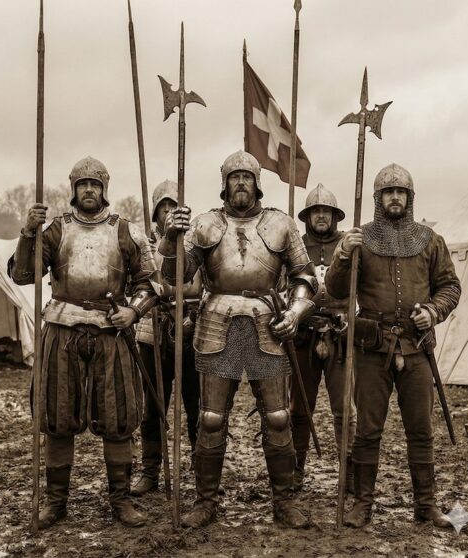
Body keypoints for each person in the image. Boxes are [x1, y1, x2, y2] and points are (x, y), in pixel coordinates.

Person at [160, 150, 317, 529]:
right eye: (235, 177)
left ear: (257, 182)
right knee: (211, 419)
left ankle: (284, 501)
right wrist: (171, 240)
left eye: (247, 176)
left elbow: (306, 278)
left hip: (268, 321)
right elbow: (176, 278)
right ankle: (206, 502)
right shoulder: (205, 224)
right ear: (225, 184)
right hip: (217, 323)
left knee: (278, 418)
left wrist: (295, 313)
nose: (241, 183)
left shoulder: (280, 224)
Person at [9, 156, 158, 528]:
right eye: (82, 184)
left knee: (118, 416)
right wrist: (29, 232)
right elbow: (24, 274)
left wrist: (134, 312)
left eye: (95, 184)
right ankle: (56, 502)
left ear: (104, 188)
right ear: (73, 188)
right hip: (62, 328)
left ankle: (120, 501)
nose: (89, 190)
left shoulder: (127, 230)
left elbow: (150, 284)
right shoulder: (55, 230)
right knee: (57, 416)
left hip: (112, 331)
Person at [326, 163, 460, 529]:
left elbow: (450, 286)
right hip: (373, 348)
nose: (395, 197)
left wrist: (433, 311)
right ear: (378, 198)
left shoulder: (431, 241)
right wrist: (342, 255)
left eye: (401, 192)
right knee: (368, 429)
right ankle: (363, 505)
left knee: (421, 429)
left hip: (417, 347)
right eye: (389, 192)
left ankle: (426, 506)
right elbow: (337, 290)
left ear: (410, 198)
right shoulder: (361, 238)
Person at [130, 179, 202, 497]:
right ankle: (149, 471)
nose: (170, 213)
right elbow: (146, 285)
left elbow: (196, 288)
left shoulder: (196, 246)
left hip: (191, 332)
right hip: (152, 335)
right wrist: (163, 288)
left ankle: (203, 471)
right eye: (164, 208)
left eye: (175, 207)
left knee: (197, 408)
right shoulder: (145, 246)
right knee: (153, 409)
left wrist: (169, 289)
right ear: (156, 214)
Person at [290, 184, 356, 492]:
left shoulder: (350, 244)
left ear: (334, 216)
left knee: (344, 409)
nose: (320, 216)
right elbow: (283, 286)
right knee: (300, 407)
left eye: (325, 211)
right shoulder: (296, 246)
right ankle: (295, 469)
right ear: (306, 216)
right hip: (304, 334)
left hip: (339, 336)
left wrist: (351, 318)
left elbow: (362, 288)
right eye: (315, 211)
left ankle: (351, 471)